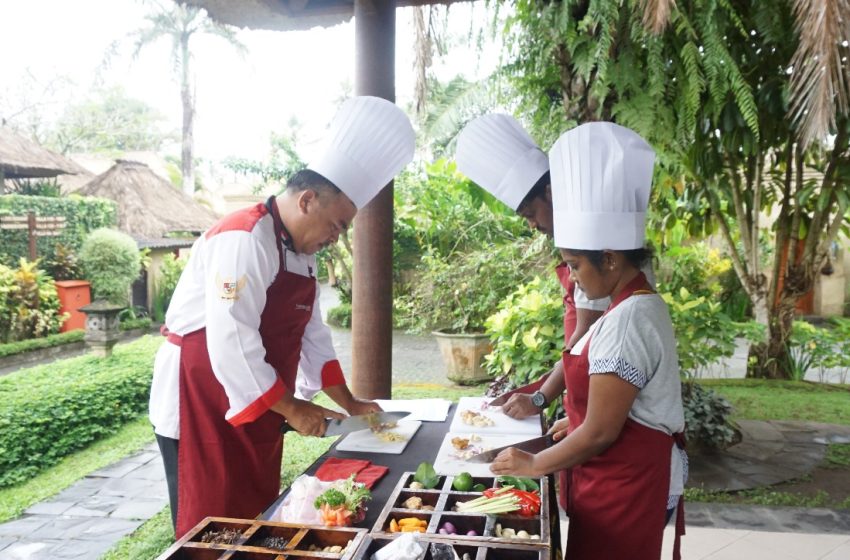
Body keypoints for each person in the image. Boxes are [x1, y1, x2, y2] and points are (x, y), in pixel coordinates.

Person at [149, 96, 415, 537]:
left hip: (256, 403)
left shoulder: (302, 254)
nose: (336, 237)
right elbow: (230, 339)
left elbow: (311, 336)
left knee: (254, 516)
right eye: (337, 224)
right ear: (308, 200)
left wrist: (347, 403)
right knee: (210, 530)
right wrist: (291, 407)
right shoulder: (244, 237)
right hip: (199, 398)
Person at [489, 122, 687, 560]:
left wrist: (535, 463)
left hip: (626, 486)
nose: (574, 279)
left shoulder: (627, 318)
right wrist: (572, 422)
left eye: (576, 266)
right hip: (615, 478)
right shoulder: (626, 304)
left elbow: (600, 431)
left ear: (611, 259)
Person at [456, 114, 626, 419]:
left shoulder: (594, 241)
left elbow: (585, 332)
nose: (533, 224)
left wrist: (539, 397)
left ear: (550, 192)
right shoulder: (578, 239)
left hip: (606, 395)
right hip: (585, 387)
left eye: (531, 213)